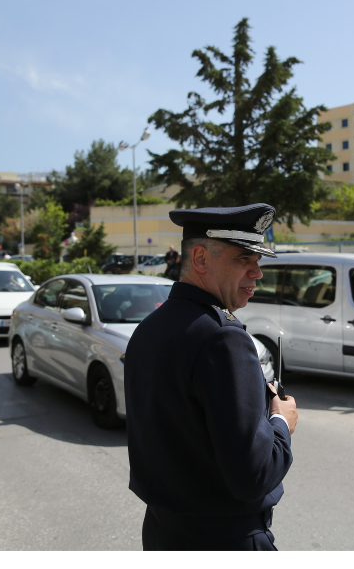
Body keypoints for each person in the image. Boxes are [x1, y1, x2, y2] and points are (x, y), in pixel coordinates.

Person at [124, 203, 298, 551]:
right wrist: (281, 422)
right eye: (243, 260)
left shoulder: (150, 326)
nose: (257, 273)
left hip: (163, 531)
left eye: (258, 262)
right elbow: (254, 477)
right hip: (224, 539)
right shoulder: (223, 337)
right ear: (201, 259)